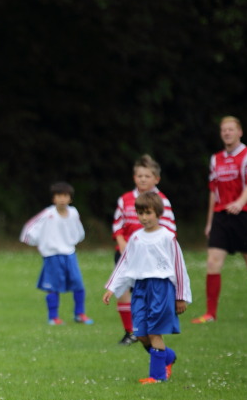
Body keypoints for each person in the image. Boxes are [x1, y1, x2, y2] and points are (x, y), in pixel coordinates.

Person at [192, 115, 247, 323]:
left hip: (245, 216)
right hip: (221, 216)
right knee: (213, 262)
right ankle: (210, 314)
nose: (227, 133)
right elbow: (213, 191)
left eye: (231, 129)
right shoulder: (216, 159)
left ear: (239, 132)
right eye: (224, 130)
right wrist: (209, 221)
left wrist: (240, 203)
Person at [103, 192, 191, 384]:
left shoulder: (167, 237)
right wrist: (112, 287)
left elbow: (179, 267)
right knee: (141, 334)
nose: (144, 217)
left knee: (154, 332)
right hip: (140, 288)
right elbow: (125, 263)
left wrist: (181, 296)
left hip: (161, 288)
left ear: (158, 213)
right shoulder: (136, 238)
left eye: (148, 213)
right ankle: (168, 357)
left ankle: (157, 377)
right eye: (140, 213)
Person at [110, 154, 176, 345]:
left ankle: (150, 329)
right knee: (123, 290)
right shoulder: (125, 199)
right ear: (134, 178)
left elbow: (170, 230)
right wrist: (122, 243)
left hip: (151, 258)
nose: (143, 179)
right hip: (126, 254)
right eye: (140, 176)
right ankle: (130, 332)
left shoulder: (162, 201)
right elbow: (117, 225)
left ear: (156, 179)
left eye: (147, 176)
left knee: (146, 293)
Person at [19, 181, 93, 325]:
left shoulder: (73, 213)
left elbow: (79, 231)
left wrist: (73, 241)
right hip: (52, 256)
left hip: (70, 254)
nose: (62, 199)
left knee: (78, 284)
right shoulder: (48, 214)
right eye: (59, 196)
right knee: (53, 286)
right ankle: (53, 317)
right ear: (53, 198)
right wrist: (39, 244)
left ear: (70, 198)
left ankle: (80, 314)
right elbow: (29, 228)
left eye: (65, 196)